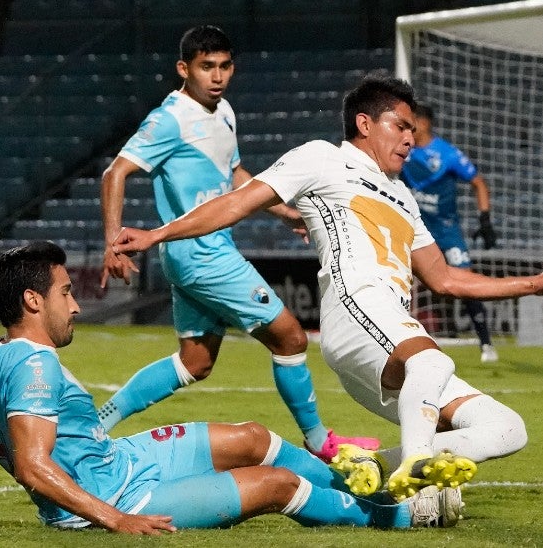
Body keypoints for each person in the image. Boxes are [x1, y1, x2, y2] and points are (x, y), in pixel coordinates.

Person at [109, 75, 543, 502]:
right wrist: (156, 234)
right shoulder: (321, 158)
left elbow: (444, 278)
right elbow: (236, 203)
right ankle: (418, 467)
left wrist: (535, 282)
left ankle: (375, 466)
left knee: (507, 428)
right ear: (364, 123)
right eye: (400, 126)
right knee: (433, 359)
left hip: (387, 337)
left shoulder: (403, 196)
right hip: (356, 308)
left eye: (413, 129)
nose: (411, 137)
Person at [0, 241, 462, 534]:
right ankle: (397, 515)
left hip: (121, 460)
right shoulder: (35, 365)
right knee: (274, 485)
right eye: (66, 293)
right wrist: (117, 520)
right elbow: (31, 465)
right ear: (33, 302)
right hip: (118, 495)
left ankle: (363, 485)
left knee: (252, 436)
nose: (77, 305)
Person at [97, 24, 377, 461]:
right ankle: (320, 442)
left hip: (198, 252)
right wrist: (113, 241)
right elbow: (114, 173)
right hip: (200, 252)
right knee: (291, 338)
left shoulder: (225, 111)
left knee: (194, 362)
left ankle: (98, 426)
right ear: (183, 69)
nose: (217, 76)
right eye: (206, 67)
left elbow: (235, 174)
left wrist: (283, 212)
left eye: (225, 66)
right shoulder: (169, 119)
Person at [400, 104, 499, 363]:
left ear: (424, 123)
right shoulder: (402, 152)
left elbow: (478, 182)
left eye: (412, 122)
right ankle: (398, 340)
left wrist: (485, 219)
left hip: (446, 231)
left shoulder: (447, 154)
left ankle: (486, 343)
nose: (408, 127)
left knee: (464, 281)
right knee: (399, 281)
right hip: (414, 228)